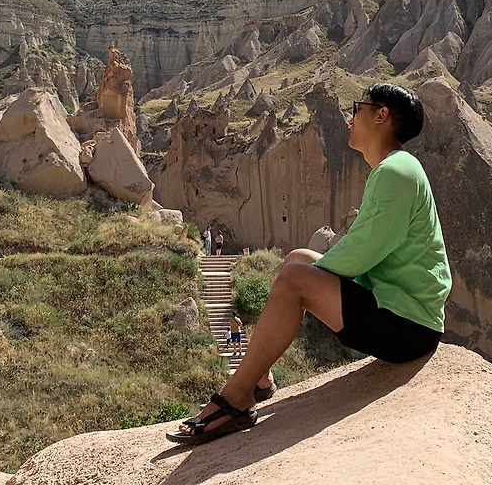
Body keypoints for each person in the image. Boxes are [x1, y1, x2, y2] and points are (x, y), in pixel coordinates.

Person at [169, 83, 451, 446]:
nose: (351, 117)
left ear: (381, 115)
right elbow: (365, 249)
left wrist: (304, 282)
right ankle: (260, 377)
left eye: (358, 108)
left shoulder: (395, 172)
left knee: (295, 279)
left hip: (407, 326)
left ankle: (236, 400)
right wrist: (308, 274)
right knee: (298, 259)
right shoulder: (398, 168)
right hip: (399, 308)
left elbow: (362, 251)